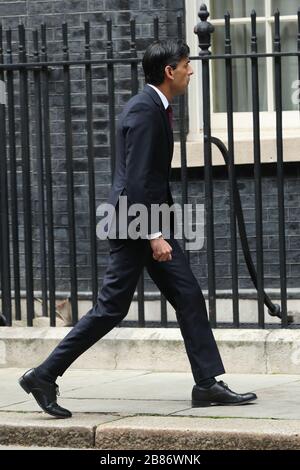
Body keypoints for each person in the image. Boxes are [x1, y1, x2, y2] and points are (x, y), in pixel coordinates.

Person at [19, 40, 257, 418]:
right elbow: (138, 179)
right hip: (137, 225)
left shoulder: (153, 107)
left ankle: (207, 382)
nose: (190, 71)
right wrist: (153, 235)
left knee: (188, 295)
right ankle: (43, 375)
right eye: (186, 65)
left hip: (145, 221)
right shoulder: (145, 111)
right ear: (169, 71)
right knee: (110, 308)